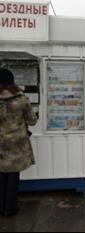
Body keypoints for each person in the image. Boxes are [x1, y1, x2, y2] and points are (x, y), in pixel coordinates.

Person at [0, 68, 37, 218]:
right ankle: (10, 208)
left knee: (1, 176)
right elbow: (32, 121)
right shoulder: (21, 99)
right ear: (12, 81)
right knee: (13, 176)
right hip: (16, 145)